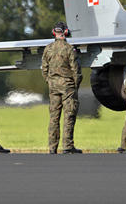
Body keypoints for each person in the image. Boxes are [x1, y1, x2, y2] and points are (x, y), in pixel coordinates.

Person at [41, 22, 83, 154]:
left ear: (54, 33)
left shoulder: (48, 48)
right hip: (67, 86)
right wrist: (75, 85)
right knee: (69, 115)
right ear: (65, 32)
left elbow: (44, 69)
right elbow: (75, 70)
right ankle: (67, 146)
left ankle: (52, 147)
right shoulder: (69, 49)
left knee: (54, 117)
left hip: (53, 86)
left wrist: (50, 81)